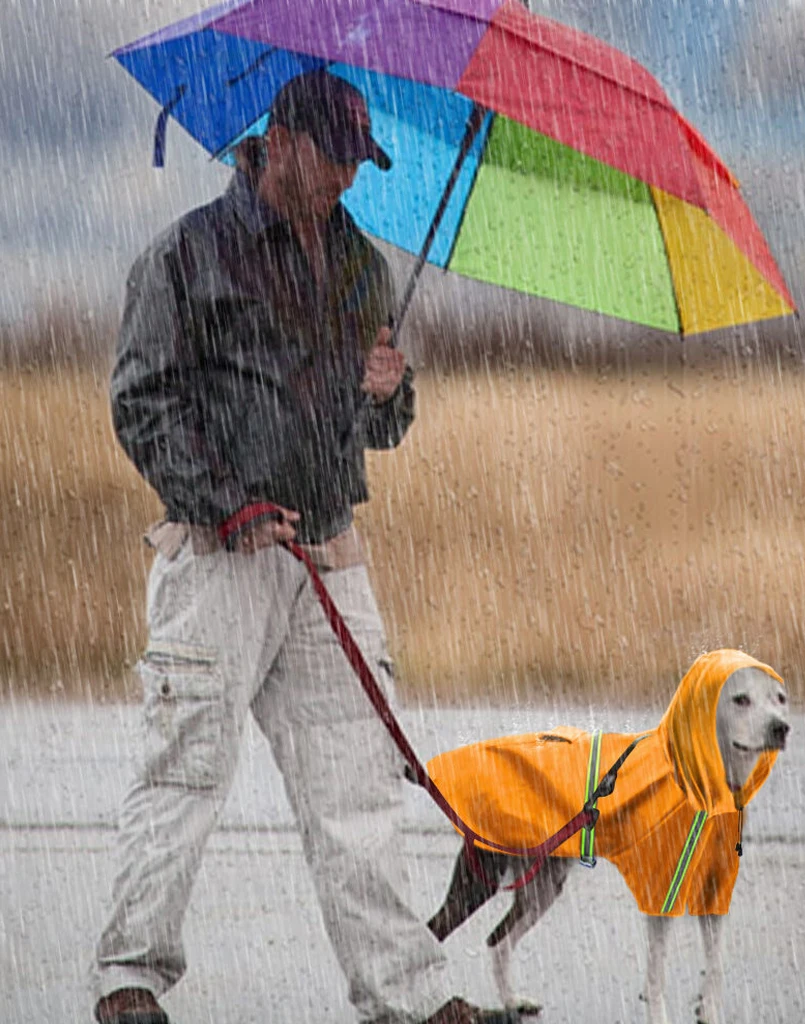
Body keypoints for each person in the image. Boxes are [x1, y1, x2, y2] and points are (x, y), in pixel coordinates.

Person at [91, 70, 514, 1024]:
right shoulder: (189, 255)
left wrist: (386, 391)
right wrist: (227, 503)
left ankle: (409, 997)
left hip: (329, 557)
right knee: (185, 771)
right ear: (278, 141)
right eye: (332, 158)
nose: (345, 181)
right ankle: (127, 984)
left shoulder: (365, 265)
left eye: (358, 162)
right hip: (216, 559)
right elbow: (143, 400)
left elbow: (381, 430)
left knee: (358, 791)